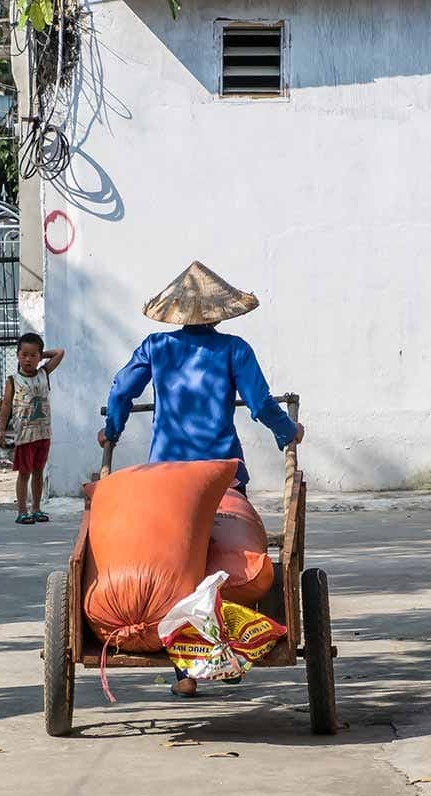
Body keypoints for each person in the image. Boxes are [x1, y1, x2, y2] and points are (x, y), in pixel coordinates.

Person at [97, 260, 304, 696]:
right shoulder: (234, 350)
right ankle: (220, 644)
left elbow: (121, 391)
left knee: (174, 563)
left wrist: (112, 429)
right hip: (221, 475)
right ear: (217, 313)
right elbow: (261, 403)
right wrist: (289, 432)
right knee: (215, 562)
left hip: (166, 480)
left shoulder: (155, 347)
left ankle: (184, 672)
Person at [0, 332, 65, 524]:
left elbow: (60, 353)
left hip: (43, 433)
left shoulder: (44, 373)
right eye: (24, 354)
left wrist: (42, 355)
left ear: (39, 356)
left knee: (38, 471)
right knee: (24, 473)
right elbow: (6, 406)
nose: (28, 359)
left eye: (33, 355)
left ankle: (36, 508)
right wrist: (2, 429)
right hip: (25, 435)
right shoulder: (13, 380)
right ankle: (22, 510)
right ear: (17, 355)